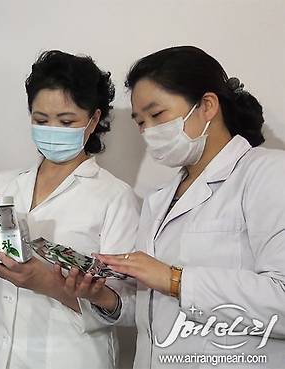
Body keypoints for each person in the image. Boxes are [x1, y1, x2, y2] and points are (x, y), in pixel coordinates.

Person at [0, 50, 140, 369]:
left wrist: (49, 284)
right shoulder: (7, 183)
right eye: (41, 120)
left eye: (67, 121)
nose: (52, 129)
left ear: (94, 120)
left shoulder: (114, 196)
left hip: (72, 357)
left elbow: (128, 306)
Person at [93, 46, 285, 368]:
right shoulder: (158, 200)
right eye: (141, 122)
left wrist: (176, 279)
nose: (148, 132)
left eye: (157, 115)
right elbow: (153, 308)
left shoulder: (268, 173)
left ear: (208, 105)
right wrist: (101, 296)